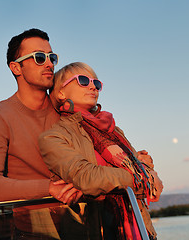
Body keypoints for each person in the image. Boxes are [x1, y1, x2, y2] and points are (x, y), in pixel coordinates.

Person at [39, 62, 163, 239]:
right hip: (92, 231)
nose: (92, 86)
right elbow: (87, 177)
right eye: (82, 80)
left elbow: (150, 178)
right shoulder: (53, 137)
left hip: (140, 229)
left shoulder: (113, 130)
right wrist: (139, 175)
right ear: (61, 93)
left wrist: (142, 170)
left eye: (96, 83)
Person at [0, 29, 82, 204]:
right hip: (34, 227)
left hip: (86, 220)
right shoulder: (0, 118)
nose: (49, 64)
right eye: (39, 57)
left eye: (51, 57)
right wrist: (49, 188)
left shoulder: (65, 110)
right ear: (16, 67)